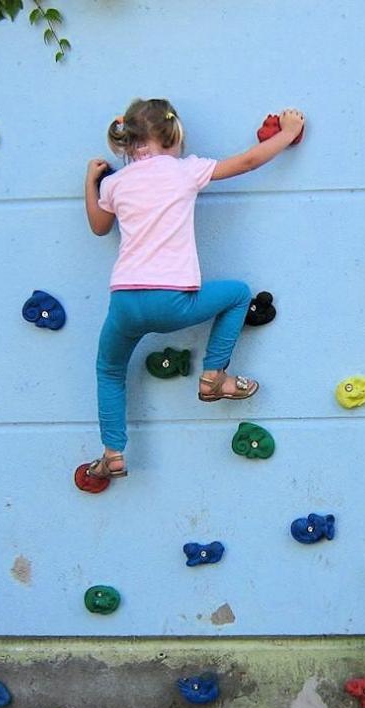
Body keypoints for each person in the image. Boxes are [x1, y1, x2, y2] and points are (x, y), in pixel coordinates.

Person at [83, 98, 305, 479]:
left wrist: (91, 181)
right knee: (237, 294)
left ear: (129, 143)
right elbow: (248, 161)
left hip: (124, 303)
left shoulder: (116, 182)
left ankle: (113, 452)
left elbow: (100, 227)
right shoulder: (185, 171)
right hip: (172, 301)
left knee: (109, 371)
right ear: (174, 137)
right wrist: (287, 134)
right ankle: (213, 377)